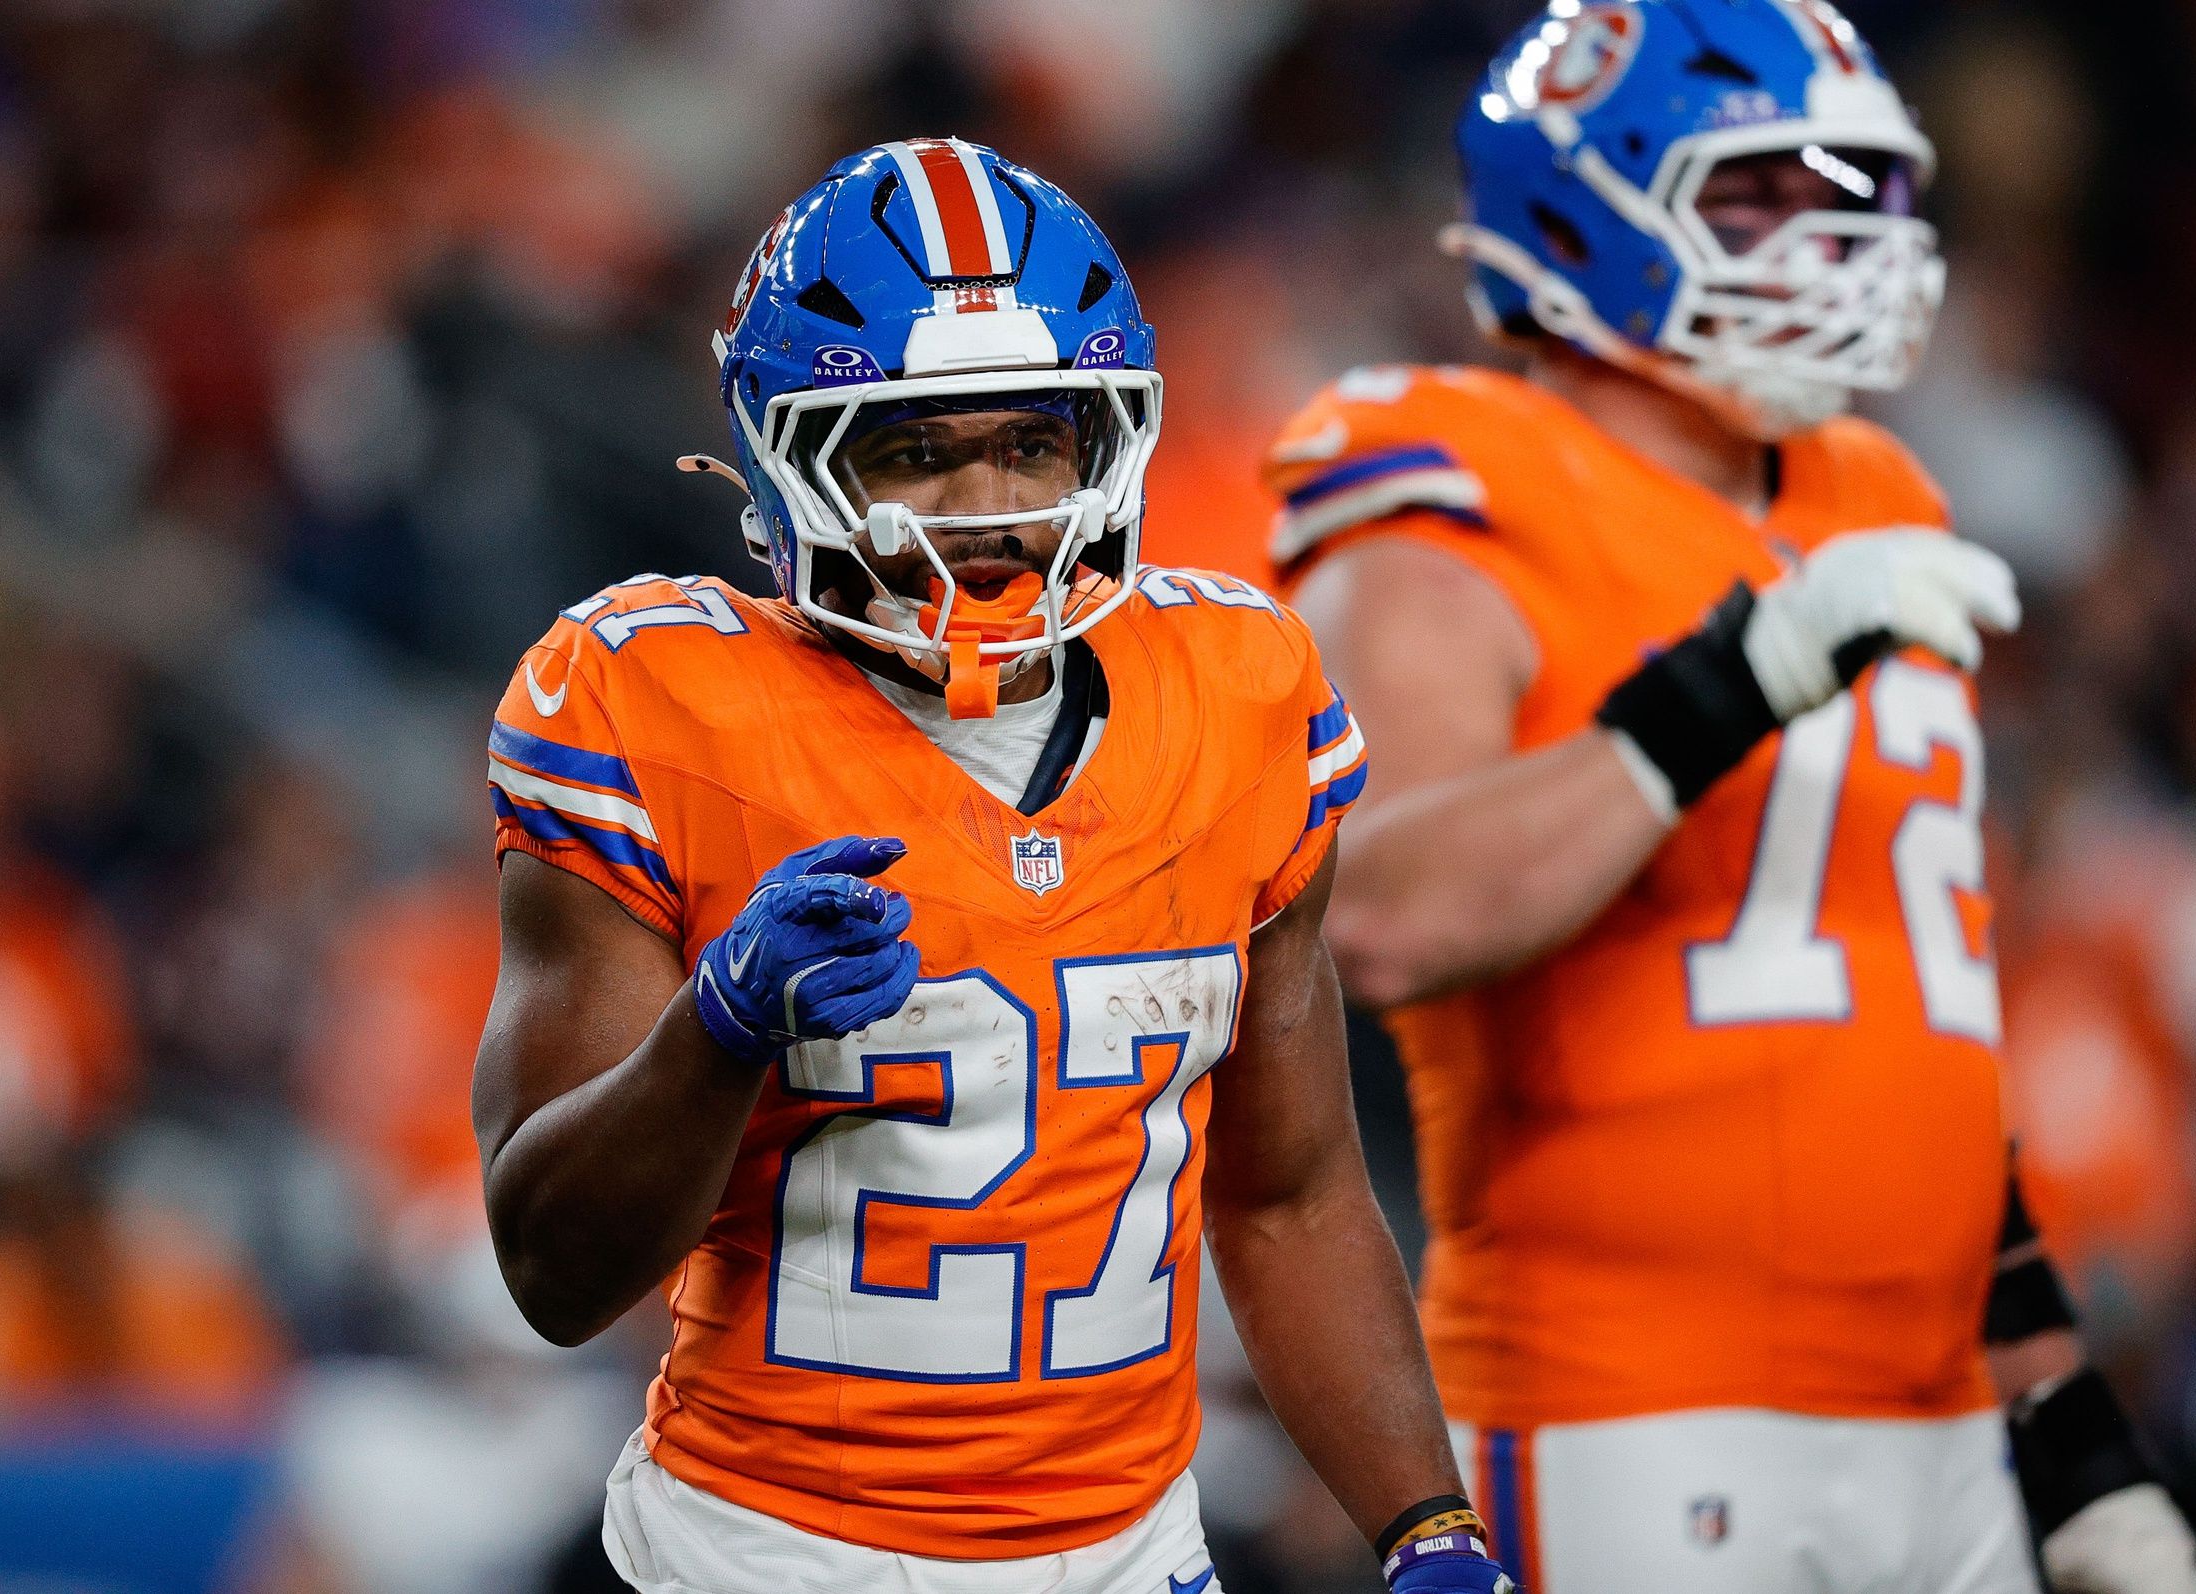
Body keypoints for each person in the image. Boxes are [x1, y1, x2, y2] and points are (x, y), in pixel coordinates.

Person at [472, 138, 1511, 1594]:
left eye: (1031, 441)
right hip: (766, 1555)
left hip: (1134, 1556)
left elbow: (1289, 1192)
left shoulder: (1236, 688)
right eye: (915, 447)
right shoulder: (645, 704)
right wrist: (717, 1030)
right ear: (792, 457)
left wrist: (1428, 1525)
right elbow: (555, 1275)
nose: (988, 501)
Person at [1260, 4, 2196, 1591]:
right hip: (1634, 1403)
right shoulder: (1460, 470)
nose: (1834, 242)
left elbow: (1925, 1026)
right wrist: (1730, 682)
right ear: (1580, 203)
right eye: (1763, 194)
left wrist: (2068, 1424)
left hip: (1939, 1418)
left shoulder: (1875, 491)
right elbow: (1390, 910)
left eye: (1858, 195)